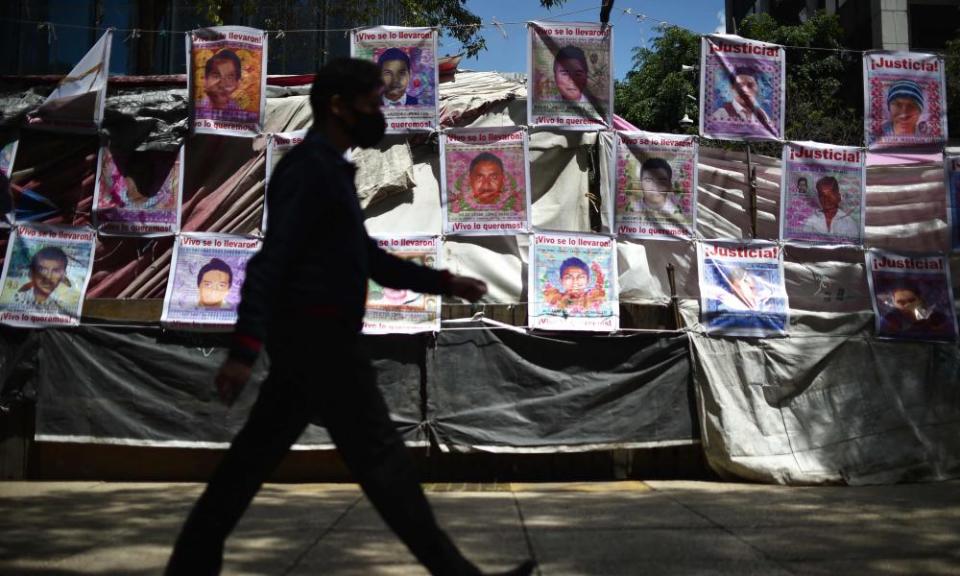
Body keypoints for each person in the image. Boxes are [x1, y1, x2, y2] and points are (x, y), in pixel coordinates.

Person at [165, 58, 535, 576]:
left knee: (252, 469)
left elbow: (369, 258)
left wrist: (444, 282)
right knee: (382, 468)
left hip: (315, 349)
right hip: (321, 348)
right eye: (371, 101)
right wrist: (244, 350)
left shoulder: (331, 171)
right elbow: (271, 261)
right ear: (339, 106)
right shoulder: (308, 170)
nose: (379, 112)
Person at [881, 283, 951, 336]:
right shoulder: (889, 321)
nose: (908, 305)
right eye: (901, 302)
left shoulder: (938, 319)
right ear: (894, 303)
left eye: (911, 300)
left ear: (920, 300)